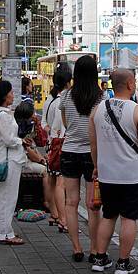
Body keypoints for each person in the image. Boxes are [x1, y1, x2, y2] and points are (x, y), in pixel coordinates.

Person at [90, 69, 138, 274]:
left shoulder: (98, 109)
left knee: (108, 215)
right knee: (129, 218)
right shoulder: (137, 111)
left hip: (106, 173)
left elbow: (93, 144)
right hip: (132, 175)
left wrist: (96, 166)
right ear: (130, 84)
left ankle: (100, 258)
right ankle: (123, 262)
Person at [59, 55, 103, 262]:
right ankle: (95, 249)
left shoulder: (66, 96)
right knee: (93, 204)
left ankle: (77, 248)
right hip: (93, 155)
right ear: (95, 73)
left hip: (69, 152)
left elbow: (66, 124)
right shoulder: (101, 98)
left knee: (71, 203)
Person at [0, 81, 28, 245]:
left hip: (4, 159)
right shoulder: (4, 116)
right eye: (11, 92)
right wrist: (21, 141)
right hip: (9, 160)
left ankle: (1, 229)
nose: (13, 95)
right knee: (9, 197)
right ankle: (6, 233)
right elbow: (9, 140)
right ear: (5, 96)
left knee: (2, 196)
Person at [45, 69, 72, 232]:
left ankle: (54, 214)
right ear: (68, 82)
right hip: (61, 143)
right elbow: (65, 126)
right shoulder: (64, 101)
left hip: (51, 143)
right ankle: (63, 219)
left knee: (52, 180)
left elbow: (44, 123)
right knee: (61, 183)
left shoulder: (50, 99)